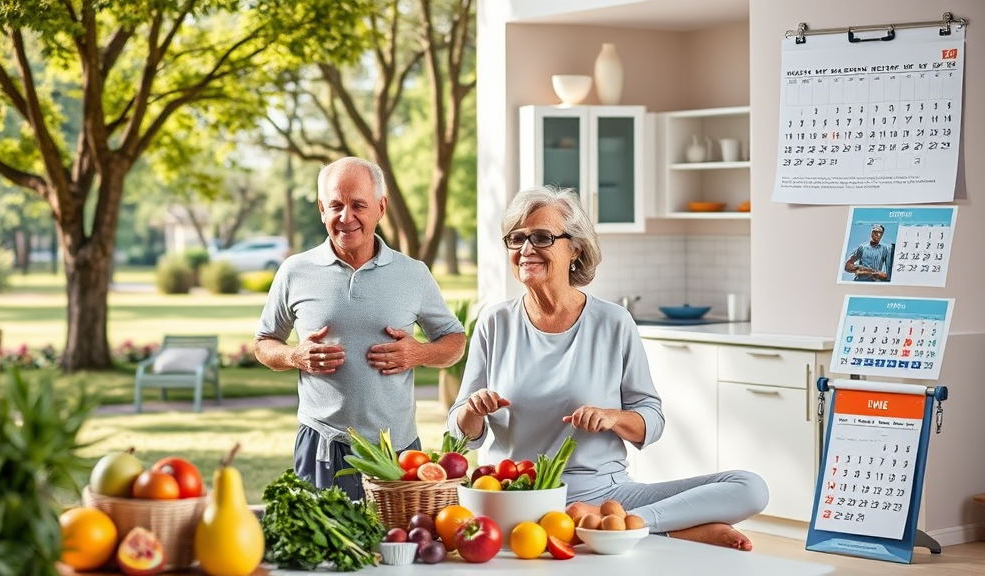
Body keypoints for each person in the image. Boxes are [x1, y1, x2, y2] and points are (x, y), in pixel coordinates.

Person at [446, 186, 768, 551]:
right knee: (537, 527)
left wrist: (614, 418)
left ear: (575, 249)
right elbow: (459, 432)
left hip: (604, 493)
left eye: (541, 237)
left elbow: (652, 419)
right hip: (517, 499)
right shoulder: (495, 322)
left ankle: (628, 523)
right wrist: (472, 410)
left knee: (750, 487)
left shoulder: (613, 322)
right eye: (516, 238)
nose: (525, 249)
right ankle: (632, 528)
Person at [255, 156, 467, 500]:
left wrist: (420, 353)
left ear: (380, 208)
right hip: (322, 446)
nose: (346, 217)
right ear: (322, 209)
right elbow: (264, 342)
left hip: (396, 449)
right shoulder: (295, 271)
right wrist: (295, 356)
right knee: (325, 550)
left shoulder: (413, 274)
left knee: (395, 548)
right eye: (336, 205)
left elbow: (455, 341)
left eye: (358, 205)